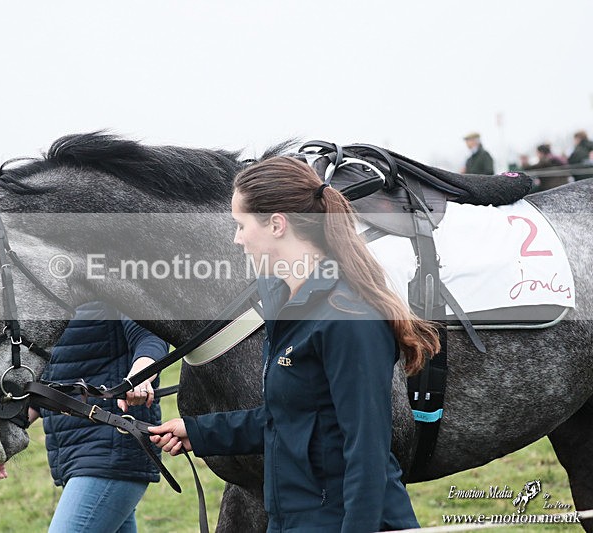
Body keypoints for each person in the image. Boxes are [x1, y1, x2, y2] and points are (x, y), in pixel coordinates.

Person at [150, 156, 441, 532]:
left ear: (276, 224)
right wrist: (199, 431)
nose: (237, 238)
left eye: (241, 225)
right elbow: (290, 418)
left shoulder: (348, 318)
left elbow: (366, 451)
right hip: (293, 520)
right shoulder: (286, 305)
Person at [0, 301, 168, 533]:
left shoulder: (109, 282)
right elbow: (52, 384)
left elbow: (151, 337)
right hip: (74, 454)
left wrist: (139, 378)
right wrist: (8, 435)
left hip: (112, 447)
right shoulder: (47, 300)